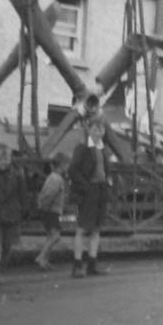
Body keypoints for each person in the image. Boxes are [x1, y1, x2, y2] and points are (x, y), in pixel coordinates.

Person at [68, 112, 114, 277]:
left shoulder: (103, 149)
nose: (99, 132)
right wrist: (86, 187)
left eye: (101, 129)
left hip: (101, 191)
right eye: (96, 129)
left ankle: (92, 265)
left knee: (96, 229)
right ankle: (77, 265)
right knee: (82, 229)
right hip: (89, 191)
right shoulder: (82, 148)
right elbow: (72, 170)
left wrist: (108, 182)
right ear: (89, 129)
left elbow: (106, 170)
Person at [0, 143, 28, 287]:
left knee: (8, 248)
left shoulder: (18, 176)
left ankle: (1, 271)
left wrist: (25, 212)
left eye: (6, 159)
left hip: (12, 216)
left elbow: (23, 196)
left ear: (10, 159)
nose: (3, 162)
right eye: (0, 159)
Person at [34, 152, 70, 271]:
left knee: (50, 235)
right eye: (66, 165)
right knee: (56, 236)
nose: (67, 168)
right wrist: (45, 206)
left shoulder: (51, 177)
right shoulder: (57, 179)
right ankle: (41, 257)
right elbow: (49, 194)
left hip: (48, 210)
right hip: (52, 211)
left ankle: (44, 261)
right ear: (62, 165)